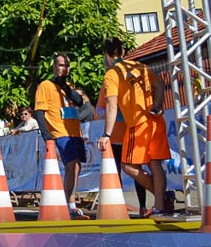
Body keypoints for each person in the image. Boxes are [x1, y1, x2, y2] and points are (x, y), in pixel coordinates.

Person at [96, 37, 173, 217]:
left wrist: (106, 134)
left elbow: (111, 105)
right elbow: (159, 85)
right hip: (155, 119)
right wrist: (158, 104)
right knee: (154, 163)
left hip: (137, 123)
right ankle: (161, 205)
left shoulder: (112, 74)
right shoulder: (139, 67)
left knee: (128, 166)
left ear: (105, 54)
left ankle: (160, 198)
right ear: (122, 52)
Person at [34, 54, 89, 219]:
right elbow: (39, 111)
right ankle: (69, 205)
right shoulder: (45, 85)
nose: (64, 68)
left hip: (74, 132)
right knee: (72, 164)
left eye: (67, 66)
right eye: (61, 65)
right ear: (54, 67)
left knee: (77, 166)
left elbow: (79, 102)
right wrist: (47, 135)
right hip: (60, 131)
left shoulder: (68, 86)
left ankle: (71, 204)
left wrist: (67, 89)